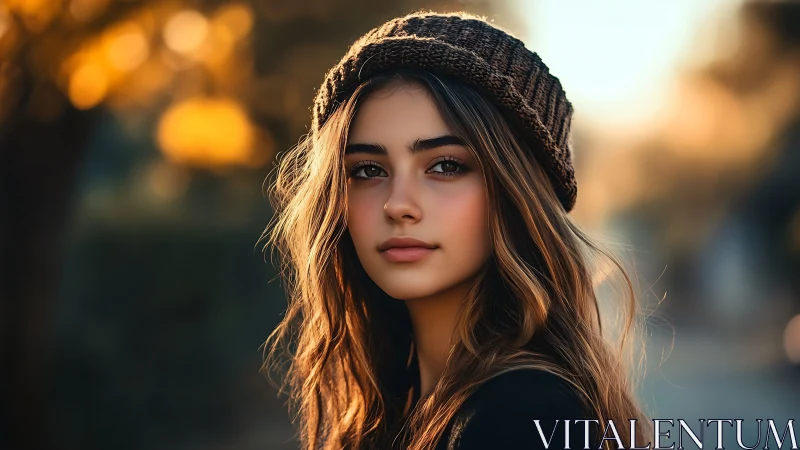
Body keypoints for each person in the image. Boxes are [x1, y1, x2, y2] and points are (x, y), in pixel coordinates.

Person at [262, 11, 653, 450]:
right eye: (368, 170)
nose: (398, 205)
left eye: (446, 166)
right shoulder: (403, 403)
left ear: (516, 191)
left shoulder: (521, 414)